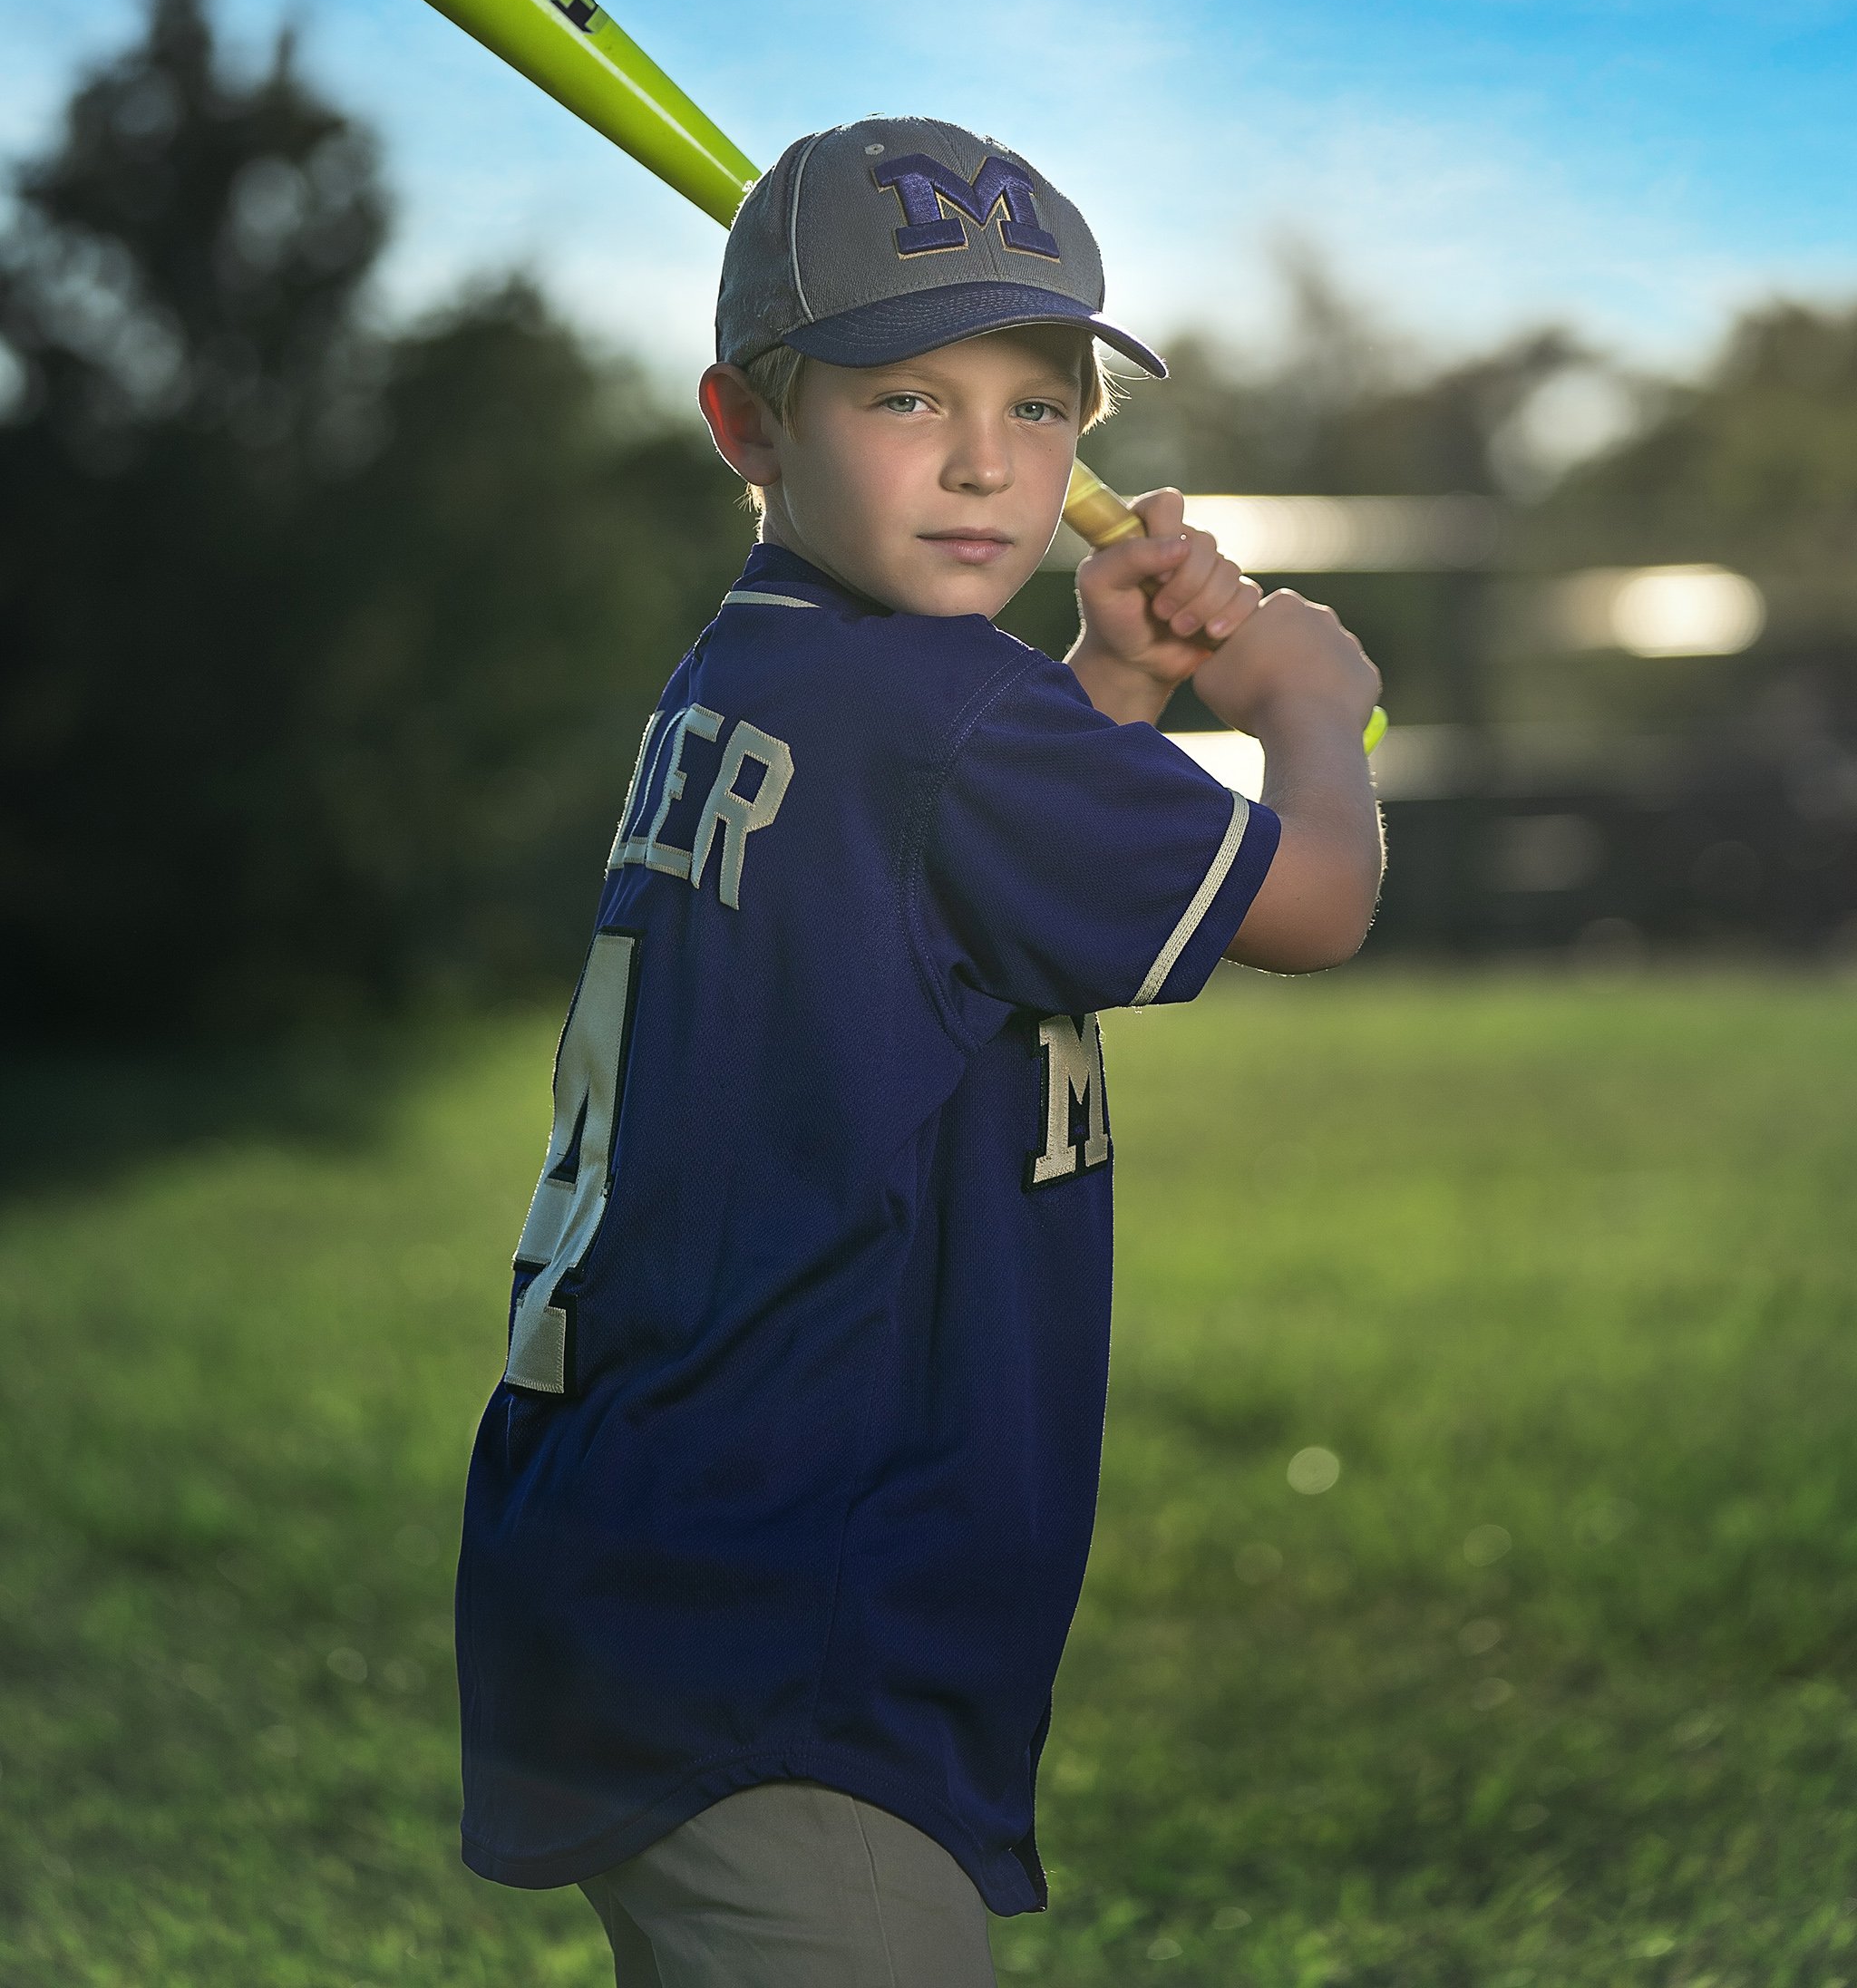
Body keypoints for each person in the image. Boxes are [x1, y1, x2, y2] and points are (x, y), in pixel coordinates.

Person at [455, 117, 1383, 1986]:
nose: (986, 463)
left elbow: (940, 905)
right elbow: (1312, 906)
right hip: (794, 1601)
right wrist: (1306, 714)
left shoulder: (764, 667)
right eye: (903, 397)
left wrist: (1105, 684)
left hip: (656, 1546)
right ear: (749, 427)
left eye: (1041, 410)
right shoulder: (938, 717)